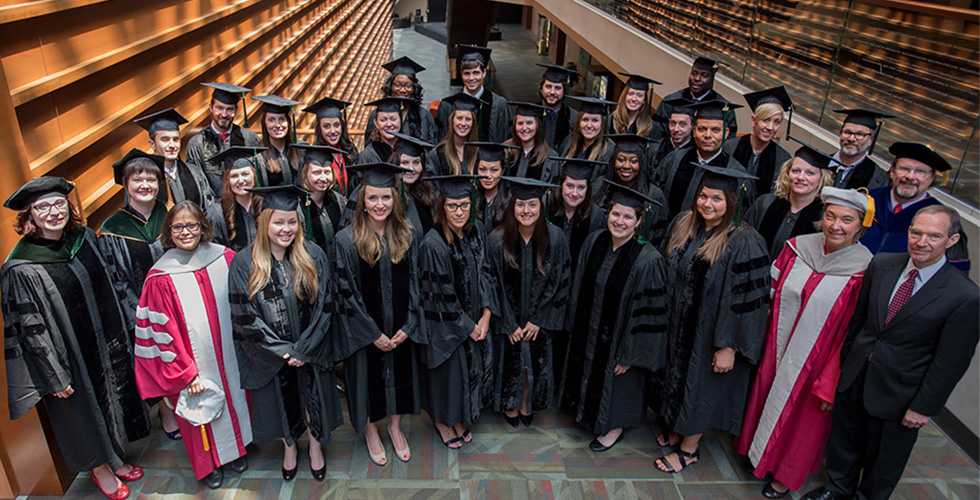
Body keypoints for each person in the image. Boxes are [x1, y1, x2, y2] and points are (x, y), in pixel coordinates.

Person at [801, 205, 979, 500]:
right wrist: (846, 366)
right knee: (844, 441)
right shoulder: (882, 264)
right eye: (916, 232)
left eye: (934, 236)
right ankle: (837, 489)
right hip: (857, 375)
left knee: (883, 460)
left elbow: (951, 361)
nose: (921, 242)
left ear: (951, 240)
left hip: (901, 393)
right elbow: (859, 322)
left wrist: (924, 406)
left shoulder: (964, 296)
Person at [2, 178, 149, 500]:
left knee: (110, 397)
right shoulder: (22, 267)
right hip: (68, 356)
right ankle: (100, 470)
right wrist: (52, 375)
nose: (53, 212)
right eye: (43, 207)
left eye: (59, 204)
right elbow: (29, 327)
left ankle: (115, 457)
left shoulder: (85, 239)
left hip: (103, 342)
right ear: (29, 216)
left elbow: (112, 283)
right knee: (82, 409)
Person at [736, 187, 875, 498]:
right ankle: (758, 455)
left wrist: (831, 380)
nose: (836, 225)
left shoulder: (864, 270)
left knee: (803, 420)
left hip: (818, 363)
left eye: (847, 220)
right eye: (830, 216)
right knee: (765, 398)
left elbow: (854, 335)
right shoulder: (796, 248)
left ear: (860, 226)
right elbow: (769, 294)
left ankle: (785, 475)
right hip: (776, 348)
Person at [656, 165, 769, 474]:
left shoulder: (744, 241)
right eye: (703, 196)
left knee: (702, 388)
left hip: (711, 333)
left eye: (717, 198)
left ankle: (690, 450)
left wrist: (729, 345)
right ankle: (678, 428)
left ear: (732, 201)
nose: (707, 204)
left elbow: (747, 300)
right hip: (679, 326)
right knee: (677, 378)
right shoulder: (685, 224)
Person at [133, 201, 250, 490]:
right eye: (178, 227)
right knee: (200, 411)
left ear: (202, 227)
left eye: (192, 225)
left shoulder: (225, 257)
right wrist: (186, 374)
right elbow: (161, 333)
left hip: (231, 354)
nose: (186, 232)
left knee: (237, 399)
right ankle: (209, 464)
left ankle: (236, 449)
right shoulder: (159, 278)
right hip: (194, 366)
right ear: (169, 232)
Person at [230, 186, 342, 482]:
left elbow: (325, 306)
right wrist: (282, 351)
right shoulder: (244, 263)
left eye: (292, 221)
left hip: (311, 349)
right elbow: (245, 319)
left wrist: (304, 348)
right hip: (273, 355)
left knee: (314, 397)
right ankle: (290, 447)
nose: (286, 229)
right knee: (282, 402)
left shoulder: (313, 255)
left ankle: (316, 446)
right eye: (278, 222)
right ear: (265, 222)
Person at [558, 180, 669, 452]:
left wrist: (628, 354)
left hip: (620, 343)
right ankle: (586, 411)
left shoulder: (648, 259)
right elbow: (578, 285)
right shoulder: (595, 240)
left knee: (617, 382)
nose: (619, 221)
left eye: (627, 216)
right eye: (615, 214)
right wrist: (573, 323)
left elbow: (647, 315)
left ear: (639, 221)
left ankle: (613, 427)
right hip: (589, 330)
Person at [333, 163, 425, 466]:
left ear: (395, 199)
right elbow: (346, 293)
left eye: (386, 197)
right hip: (365, 334)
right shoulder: (345, 241)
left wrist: (410, 325)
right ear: (362, 200)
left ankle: (396, 428)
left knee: (400, 376)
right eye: (372, 198)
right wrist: (372, 333)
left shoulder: (406, 235)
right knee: (366, 379)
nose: (379, 205)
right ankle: (372, 430)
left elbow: (416, 283)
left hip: (400, 330)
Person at [98, 150, 182, 441]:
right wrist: (139, 313)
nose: (146, 184)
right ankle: (167, 412)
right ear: (125, 185)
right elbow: (116, 280)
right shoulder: (113, 230)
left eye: (151, 178)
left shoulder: (172, 216)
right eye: (138, 179)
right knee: (158, 361)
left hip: (180, 303)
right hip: (142, 311)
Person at [486, 177, 571, 428]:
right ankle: (510, 403)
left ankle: (526, 402)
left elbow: (561, 282)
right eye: (520, 205)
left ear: (541, 206)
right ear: (512, 207)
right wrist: (509, 323)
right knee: (510, 362)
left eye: (532, 205)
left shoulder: (555, 239)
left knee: (533, 361)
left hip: (538, 320)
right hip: (508, 321)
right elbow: (492, 284)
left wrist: (538, 320)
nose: (526, 211)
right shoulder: (496, 240)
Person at [419, 174, 495, 449]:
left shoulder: (476, 232)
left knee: (464, 375)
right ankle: (442, 421)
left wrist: (486, 313)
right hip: (444, 327)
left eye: (464, 205)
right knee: (447, 375)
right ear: (441, 207)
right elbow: (440, 297)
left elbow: (486, 273)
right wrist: (468, 326)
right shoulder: (433, 244)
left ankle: (458, 418)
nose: (459, 211)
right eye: (452, 206)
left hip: (474, 319)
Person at [859, 142, 970, 271]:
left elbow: (952, 275)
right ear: (892, 172)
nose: (910, 176)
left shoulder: (943, 220)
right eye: (904, 169)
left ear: (931, 178)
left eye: (920, 172)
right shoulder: (865, 200)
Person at [658, 99, 751, 220]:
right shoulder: (674, 159)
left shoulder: (735, 173)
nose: (707, 135)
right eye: (702, 129)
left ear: (726, 133)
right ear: (694, 131)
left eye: (715, 130)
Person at [745, 140, 835, 260]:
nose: (801, 177)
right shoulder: (764, 203)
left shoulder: (823, 217)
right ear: (787, 173)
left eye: (810, 173)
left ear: (822, 179)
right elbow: (743, 241)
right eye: (796, 171)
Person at [593, 134, 669, 245]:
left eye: (634, 161)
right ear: (613, 161)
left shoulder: (654, 195)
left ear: (642, 164)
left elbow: (659, 235)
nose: (627, 166)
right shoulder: (599, 186)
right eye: (621, 160)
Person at [134, 108, 217, 210]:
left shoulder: (194, 172)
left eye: (176, 139)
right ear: (152, 144)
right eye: (165, 139)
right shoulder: (142, 178)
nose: (172, 145)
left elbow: (209, 208)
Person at [185, 82, 261, 192]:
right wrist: (214, 208)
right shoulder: (197, 143)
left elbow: (258, 176)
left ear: (236, 110)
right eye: (219, 108)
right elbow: (197, 183)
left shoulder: (250, 138)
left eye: (229, 109)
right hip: (213, 206)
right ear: (211, 108)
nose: (224, 114)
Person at [722, 86, 792, 197]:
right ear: (754, 120)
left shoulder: (783, 159)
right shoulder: (730, 147)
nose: (770, 127)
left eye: (776, 122)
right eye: (766, 120)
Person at [435, 45, 512, 143]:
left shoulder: (499, 104)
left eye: (476, 73)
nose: (471, 78)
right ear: (461, 74)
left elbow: (506, 138)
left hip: (489, 158)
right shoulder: (447, 105)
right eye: (467, 73)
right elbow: (441, 139)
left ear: (484, 73)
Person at [653, 55, 738, 139]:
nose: (697, 78)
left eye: (704, 75)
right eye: (694, 73)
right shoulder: (670, 100)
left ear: (712, 78)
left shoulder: (723, 107)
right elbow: (657, 132)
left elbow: (727, 141)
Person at [364, 56, 439, 143]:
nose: (402, 90)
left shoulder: (424, 115)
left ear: (414, 88)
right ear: (390, 86)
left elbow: (432, 146)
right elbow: (369, 145)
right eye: (398, 85)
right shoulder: (376, 115)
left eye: (408, 86)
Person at [207, 146, 266, 252]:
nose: (241, 180)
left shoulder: (267, 205)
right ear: (227, 180)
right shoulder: (217, 213)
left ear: (254, 176)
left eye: (245, 174)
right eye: (234, 176)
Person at [294, 144, 346, 255]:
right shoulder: (298, 205)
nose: (323, 178)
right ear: (305, 174)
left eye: (327, 172)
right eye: (316, 173)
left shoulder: (337, 199)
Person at [303, 96, 358, 197]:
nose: (333, 131)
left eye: (336, 125)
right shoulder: (314, 155)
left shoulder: (350, 150)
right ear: (319, 129)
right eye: (326, 126)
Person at [390, 131, 439, 240]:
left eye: (416, 162)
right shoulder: (389, 196)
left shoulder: (428, 191)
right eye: (405, 163)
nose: (411, 169)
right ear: (395, 164)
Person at [829, 108, 893, 190]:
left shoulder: (879, 178)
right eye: (847, 132)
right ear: (840, 133)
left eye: (860, 134)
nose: (851, 139)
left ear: (871, 140)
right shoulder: (819, 164)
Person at [252, 95, 305, 187]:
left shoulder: (301, 149)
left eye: (281, 119)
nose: (277, 125)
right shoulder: (257, 154)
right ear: (264, 123)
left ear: (288, 123)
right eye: (271, 120)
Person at [504, 101, 562, 183]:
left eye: (529, 123)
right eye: (520, 123)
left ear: (538, 125)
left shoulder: (550, 156)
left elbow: (551, 190)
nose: (524, 128)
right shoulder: (505, 150)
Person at [429, 92, 481, 176]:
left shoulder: (479, 153)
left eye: (468, 119)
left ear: (473, 123)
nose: (463, 123)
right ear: (452, 120)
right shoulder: (438, 153)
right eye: (459, 118)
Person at [472, 142, 518, 233]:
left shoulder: (511, 198)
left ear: (502, 170)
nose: (488, 175)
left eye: (494, 170)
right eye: (482, 169)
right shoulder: (470, 196)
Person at [559, 96, 617, 166]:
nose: (589, 125)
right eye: (585, 120)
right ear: (578, 122)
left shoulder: (609, 151)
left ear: (602, 124)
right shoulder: (568, 143)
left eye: (595, 120)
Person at [357, 96, 412, 165]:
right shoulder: (367, 156)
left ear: (401, 121)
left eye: (393, 119)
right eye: (383, 120)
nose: (389, 124)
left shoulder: (410, 150)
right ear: (376, 123)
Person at [535, 63, 579, 149]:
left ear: (564, 91)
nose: (552, 92)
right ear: (541, 88)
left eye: (557, 88)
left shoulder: (573, 117)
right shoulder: (531, 114)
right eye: (548, 86)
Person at [609, 72, 660, 138]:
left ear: (644, 100)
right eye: (631, 94)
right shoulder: (610, 121)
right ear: (624, 96)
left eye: (639, 95)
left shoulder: (651, 127)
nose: (634, 99)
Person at [648, 97, 694, 169]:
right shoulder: (654, 148)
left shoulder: (695, 155)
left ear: (692, 126)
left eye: (682, 124)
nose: (676, 129)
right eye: (673, 123)